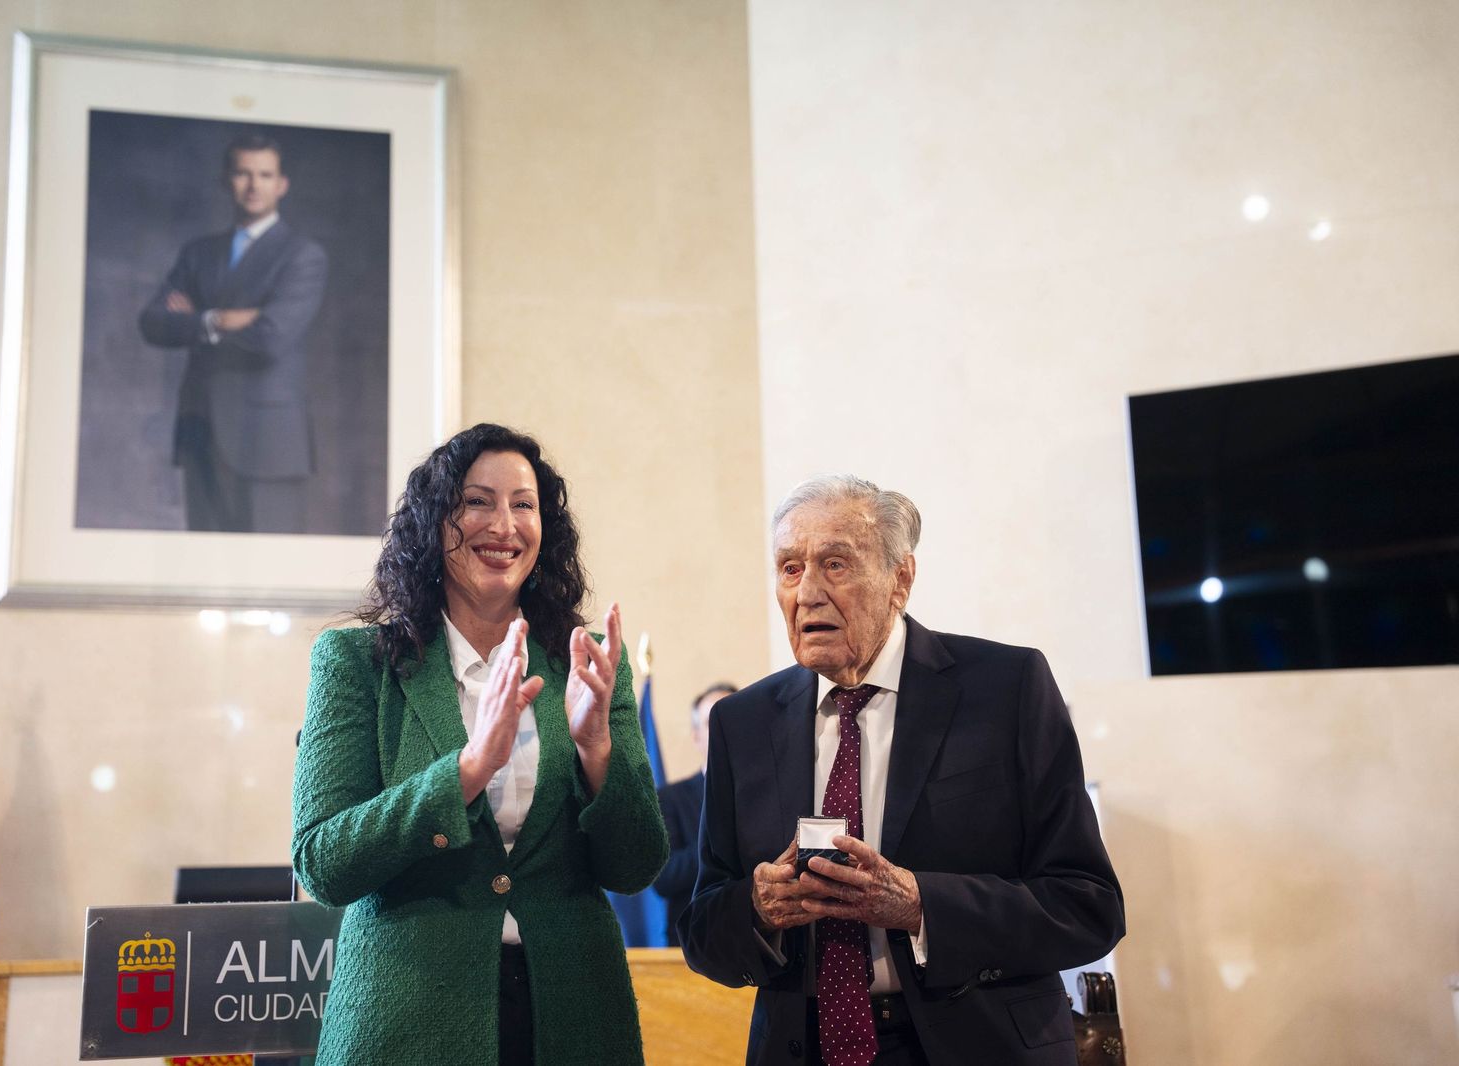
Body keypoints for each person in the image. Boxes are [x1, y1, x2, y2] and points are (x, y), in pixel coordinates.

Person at [678, 475, 1125, 1066]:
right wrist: (757, 910)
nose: (807, 592)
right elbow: (703, 925)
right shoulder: (741, 722)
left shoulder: (1005, 689)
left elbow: (1088, 905)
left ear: (901, 579)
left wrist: (921, 906)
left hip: (979, 1045)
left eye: (835, 564)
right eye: (789, 568)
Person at [291, 423, 667, 1066]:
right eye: (477, 501)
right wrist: (465, 772)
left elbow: (636, 866)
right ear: (435, 523)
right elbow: (323, 862)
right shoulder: (358, 662)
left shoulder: (589, 662)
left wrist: (596, 749)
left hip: (573, 1015)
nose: (505, 525)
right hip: (406, 1019)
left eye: (524, 505)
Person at [138, 132, 328, 534]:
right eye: (243, 173)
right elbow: (153, 322)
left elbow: (271, 337)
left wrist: (194, 321)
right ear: (227, 180)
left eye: (264, 174)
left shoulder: (302, 255)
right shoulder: (198, 253)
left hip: (268, 438)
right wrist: (220, 319)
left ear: (282, 184)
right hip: (200, 428)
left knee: (271, 574)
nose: (253, 185)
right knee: (204, 570)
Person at [652, 681, 737, 946]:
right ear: (697, 735)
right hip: (693, 943)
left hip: (757, 941)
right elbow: (664, 878)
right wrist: (723, 837)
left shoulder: (771, 793)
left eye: (734, 720)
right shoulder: (670, 798)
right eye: (714, 723)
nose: (726, 731)